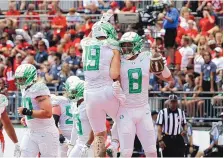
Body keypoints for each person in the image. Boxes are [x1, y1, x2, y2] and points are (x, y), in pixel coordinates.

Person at [117, 31, 174, 157]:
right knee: (126, 152)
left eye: (129, 45)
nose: (125, 48)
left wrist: (162, 66)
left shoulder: (146, 57)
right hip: (125, 110)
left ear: (137, 45)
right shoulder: (118, 60)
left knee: (152, 151)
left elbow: (169, 78)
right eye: (124, 45)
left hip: (143, 109)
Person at [81, 19, 124, 157]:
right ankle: (115, 145)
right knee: (124, 119)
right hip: (106, 90)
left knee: (98, 134)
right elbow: (114, 74)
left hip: (89, 94)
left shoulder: (85, 43)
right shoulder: (112, 46)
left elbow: (87, 38)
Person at [15, 64, 59, 157]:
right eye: (18, 79)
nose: (19, 81)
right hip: (31, 131)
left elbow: (48, 113)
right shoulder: (25, 89)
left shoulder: (39, 88)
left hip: (46, 132)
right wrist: (27, 117)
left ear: (31, 77)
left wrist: (27, 112)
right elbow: (34, 108)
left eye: (22, 79)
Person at [64, 76, 94, 157]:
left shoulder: (90, 105)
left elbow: (96, 128)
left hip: (92, 144)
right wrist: (72, 144)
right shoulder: (75, 105)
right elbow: (75, 127)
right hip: (80, 142)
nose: (72, 94)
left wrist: (88, 144)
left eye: (74, 92)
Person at [162, 1, 179, 65]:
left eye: (165, 6)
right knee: (166, 46)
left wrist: (164, 16)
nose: (165, 8)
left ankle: (171, 62)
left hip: (171, 30)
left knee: (170, 46)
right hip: (167, 30)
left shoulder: (174, 11)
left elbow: (172, 20)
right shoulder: (167, 12)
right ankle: (166, 60)